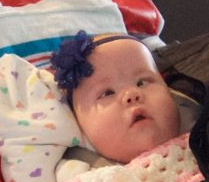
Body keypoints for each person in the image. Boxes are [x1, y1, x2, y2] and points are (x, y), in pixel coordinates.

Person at [51, 31, 183, 165]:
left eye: (142, 83)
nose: (131, 95)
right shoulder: (80, 175)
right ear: (78, 125)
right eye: (108, 93)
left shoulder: (200, 127)